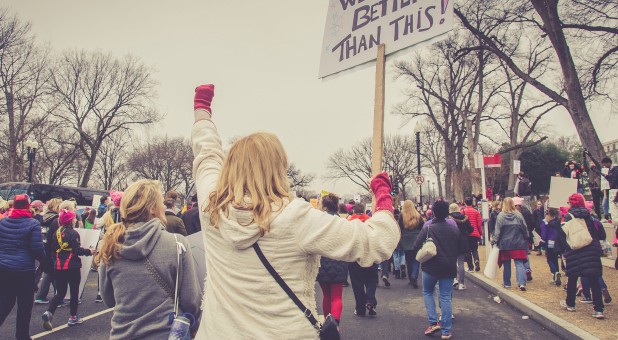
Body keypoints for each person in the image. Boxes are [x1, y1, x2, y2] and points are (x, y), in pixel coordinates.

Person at [191, 84, 399, 338]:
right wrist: (383, 194)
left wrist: (202, 112)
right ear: (278, 168)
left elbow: (207, 154)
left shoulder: (211, 207)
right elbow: (376, 242)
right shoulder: (294, 217)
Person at [98, 179, 202, 339]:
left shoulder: (110, 245)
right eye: (162, 202)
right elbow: (191, 302)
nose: (165, 207)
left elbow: (109, 300)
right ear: (152, 209)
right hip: (165, 334)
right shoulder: (177, 244)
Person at [412, 200, 462, 340]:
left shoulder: (428, 228)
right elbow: (460, 247)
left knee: (428, 292)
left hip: (431, 266)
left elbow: (416, 245)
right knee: (445, 296)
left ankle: (433, 322)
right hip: (448, 266)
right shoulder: (454, 228)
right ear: (447, 212)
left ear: (433, 212)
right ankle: (446, 331)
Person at [0, 194, 46, 340]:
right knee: (25, 305)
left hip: (4, 267)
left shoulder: (3, 222)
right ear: (27, 206)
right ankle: (22, 336)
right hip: (24, 269)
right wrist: (45, 262)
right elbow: (37, 249)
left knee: (5, 302)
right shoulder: (33, 224)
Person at [42, 208, 96, 329]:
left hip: (59, 266)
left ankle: (49, 312)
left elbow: (52, 249)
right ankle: (73, 317)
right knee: (74, 292)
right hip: (72, 267)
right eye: (74, 218)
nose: (76, 219)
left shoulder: (56, 232)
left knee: (60, 292)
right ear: (71, 221)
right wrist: (90, 251)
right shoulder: (74, 233)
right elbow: (77, 250)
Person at [557, 193, 605, 319]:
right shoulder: (590, 216)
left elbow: (562, 235)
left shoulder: (567, 217)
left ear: (571, 203)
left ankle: (571, 304)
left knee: (572, 278)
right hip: (591, 250)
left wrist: (564, 250)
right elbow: (599, 233)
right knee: (594, 279)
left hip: (575, 249)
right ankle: (598, 309)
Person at [315, 194, 348, 325]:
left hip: (322, 260)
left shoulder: (319, 221)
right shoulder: (342, 222)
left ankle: (327, 323)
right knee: (336, 297)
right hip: (338, 260)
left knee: (326, 296)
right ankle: (335, 325)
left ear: (324, 206)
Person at [346, 203, 381, 317]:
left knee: (357, 284)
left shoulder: (349, 222)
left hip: (355, 256)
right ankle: (370, 301)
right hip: (370, 255)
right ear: (365, 211)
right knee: (371, 280)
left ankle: (360, 309)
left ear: (354, 211)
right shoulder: (371, 222)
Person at [492, 197, 529, 291]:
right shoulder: (518, 215)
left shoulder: (501, 216)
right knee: (519, 263)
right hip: (518, 242)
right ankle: (521, 283)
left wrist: (494, 241)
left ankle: (507, 283)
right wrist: (526, 236)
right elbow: (524, 227)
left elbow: (497, 231)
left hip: (505, 243)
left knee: (507, 264)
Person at [35, 198, 63, 304]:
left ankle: (41, 295)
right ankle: (58, 298)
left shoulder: (44, 217)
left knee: (49, 272)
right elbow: (56, 236)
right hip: (52, 249)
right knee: (55, 273)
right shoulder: (56, 219)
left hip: (43, 246)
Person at [400, 200, 425, 288]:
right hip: (416, 239)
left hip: (406, 240)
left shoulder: (402, 216)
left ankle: (411, 278)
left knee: (408, 260)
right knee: (416, 259)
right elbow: (423, 227)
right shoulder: (418, 215)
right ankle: (414, 276)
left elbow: (399, 228)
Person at [449, 203, 473, 290]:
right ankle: (462, 283)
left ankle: (454, 279)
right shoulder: (464, 218)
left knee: (453, 262)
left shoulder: (449, 219)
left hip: (452, 241)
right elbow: (470, 229)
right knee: (461, 262)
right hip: (463, 240)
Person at [539, 208, 562, 286]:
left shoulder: (545, 222)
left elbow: (544, 234)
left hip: (549, 241)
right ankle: (556, 274)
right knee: (555, 258)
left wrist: (542, 242)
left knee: (549, 258)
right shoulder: (558, 221)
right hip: (557, 242)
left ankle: (555, 272)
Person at [462, 197, 482, 272]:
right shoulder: (476, 212)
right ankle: (476, 261)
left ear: (465, 203)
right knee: (474, 249)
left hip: (466, 234)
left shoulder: (463, 212)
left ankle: (470, 267)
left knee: (467, 251)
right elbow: (479, 224)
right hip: (475, 233)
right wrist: (480, 233)